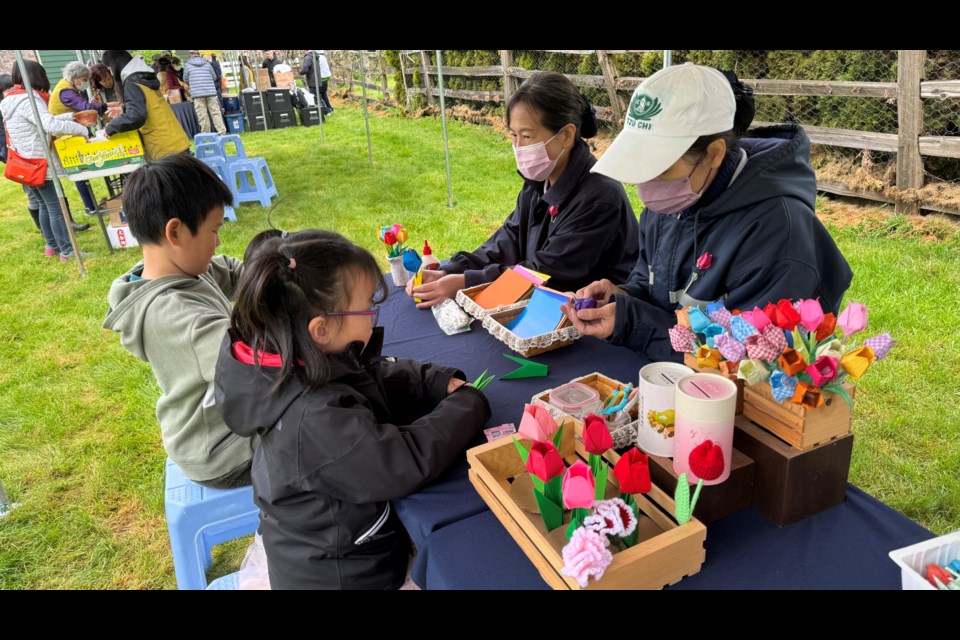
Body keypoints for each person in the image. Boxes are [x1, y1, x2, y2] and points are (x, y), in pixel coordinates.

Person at [215, 230, 492, 589]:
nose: (373, 319)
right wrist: (469, 404)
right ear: (322, 329)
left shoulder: (287, 358)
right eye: (367, 307)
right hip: (347, 575)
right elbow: (401, 460)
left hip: (331, 544)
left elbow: (366, 374)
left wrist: (433, 381)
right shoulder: (312, 417)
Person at [563, 63, 853, 362]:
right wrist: (623, 295)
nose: (646, 185)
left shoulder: (779, 232)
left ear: (713, 153)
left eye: (659, 167)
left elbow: (749, 360)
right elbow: (656, 288)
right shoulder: (674, 201)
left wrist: (631, 322)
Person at [408, 71, 639, 307]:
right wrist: (452, 270)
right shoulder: (541, 179)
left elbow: (546, 274)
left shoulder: (600, 198)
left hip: (593, 324)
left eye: (527, 136)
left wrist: (465, 282)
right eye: (513, 135)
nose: (518, 148)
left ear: (567, 135)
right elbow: (508, 239)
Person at [102, 155, 255, 487]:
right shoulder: (174, 316)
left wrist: (270, 276)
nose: (218, 241)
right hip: (220, 450)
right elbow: (251, 357)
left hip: (226, 422)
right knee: (315, 430)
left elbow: (229, 269)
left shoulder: (185, 269)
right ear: (175, 231)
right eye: (213, 230)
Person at [0, 60, 90, 261]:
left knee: (43, 205)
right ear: (36, 76)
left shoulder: (10, 100)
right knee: (55, 208)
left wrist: (71, 118)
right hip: (40, 163)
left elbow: (42, 120)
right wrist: (81, 128)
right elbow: (49, 124)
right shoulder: (28, 99)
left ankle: (51, 246)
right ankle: (67, 250)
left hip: (24, 162)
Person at [49, 61, 118, 220]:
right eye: (84, 78)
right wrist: (107, 105)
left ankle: (91, 205)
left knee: (81, 170)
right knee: (79, 171)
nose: (86, 82)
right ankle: (90, 206)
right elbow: (83, 107)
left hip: (68, 132)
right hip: (64, 136)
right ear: (76, 77)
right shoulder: (65, 91)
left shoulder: (67, 86)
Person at [102, 51, 190, 161]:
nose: (111, 73)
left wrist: (112, 127)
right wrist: (123, 109)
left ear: (115, 65)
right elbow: (150, 105)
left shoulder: (132, 83)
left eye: (110, 69)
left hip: (165, 147)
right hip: (175, 139)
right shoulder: (143, 77)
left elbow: (136, 116)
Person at [0, 72, 45, 238]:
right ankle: (45, 232)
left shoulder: (6, 105)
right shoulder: (7, 107)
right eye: (7, 88)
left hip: (20, 154)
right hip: (17, 156)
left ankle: (48, 233)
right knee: (35, 196)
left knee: (39, 197)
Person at [183, 50, 226, 135]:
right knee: (216, 113)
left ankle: (207, 135)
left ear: (191, 55)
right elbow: (214, 77)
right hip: (210, 92)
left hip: (197, 93)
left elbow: (185, 79)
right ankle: (222, 132)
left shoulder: (187, 65)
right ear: (198, 54)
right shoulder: (207, 63)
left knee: (202, 115)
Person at [299, 49, 333, 116]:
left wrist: (300, 72)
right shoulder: (318, 56)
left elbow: (306, 68)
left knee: (317, 96)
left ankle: (325, 111)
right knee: (322, 94)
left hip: (317, 78)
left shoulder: (310, 57)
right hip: (323, 78)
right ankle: (329, 109)